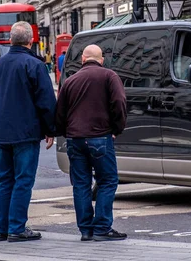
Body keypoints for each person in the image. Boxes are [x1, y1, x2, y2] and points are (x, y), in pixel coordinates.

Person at [0, 21, 56, 242]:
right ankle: (17, 228)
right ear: (30, 40)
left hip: (0, 132)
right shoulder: (34, 65)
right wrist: (51, 129)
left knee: (5, 179)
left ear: (10, 40)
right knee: (23, 180)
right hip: (25, 132)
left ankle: (2, 228)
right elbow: (46, 101)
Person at [55, 44, 127, 242]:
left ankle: (86, 230)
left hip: (75, 139)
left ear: (83, 60)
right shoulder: (109, 76)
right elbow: (119, 102)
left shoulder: (70, 81)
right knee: (108, 181)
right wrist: (117, 128)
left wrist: (63, 132)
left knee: (81, 184)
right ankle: (102, 227)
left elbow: (60, 111)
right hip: (100, 137)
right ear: (101, 60)